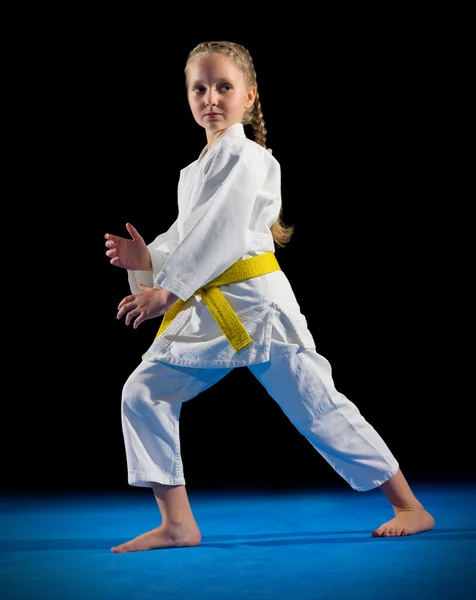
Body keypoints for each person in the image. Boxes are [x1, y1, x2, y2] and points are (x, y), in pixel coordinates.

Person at [104, 40, 434, 553]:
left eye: (224, 87)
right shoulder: (193, 171)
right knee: (143, 393)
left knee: (318, 406)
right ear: (187, 96)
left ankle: (409, 505)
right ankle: (177, 524)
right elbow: (189, 234)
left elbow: (223, 229)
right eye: (199, 88)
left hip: (258, 309)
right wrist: (148, 260)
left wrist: (167, 289)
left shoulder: (248, 155)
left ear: (249, 96)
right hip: (214, 310)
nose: (211, 97)